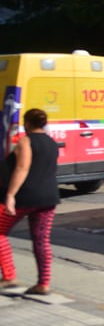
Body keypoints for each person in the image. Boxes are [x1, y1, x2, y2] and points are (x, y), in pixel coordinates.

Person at [0, 108, 61, 295]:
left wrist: (10, 195)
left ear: (27, 123)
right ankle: (43, 283)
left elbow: (22, 168)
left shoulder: (26, 141)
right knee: (41, 241)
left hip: (25, 198)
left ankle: (9, 276)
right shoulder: (52, 143)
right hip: (49, 198)